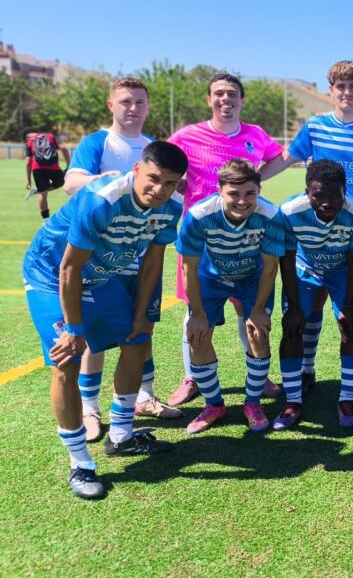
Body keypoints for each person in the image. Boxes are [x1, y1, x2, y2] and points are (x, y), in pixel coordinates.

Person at [23, 141, 187, 499]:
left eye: (170, 183)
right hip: (51, 276)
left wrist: (143, 315)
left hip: (98, 276)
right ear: (137, 169)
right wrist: (74, 330)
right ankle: (80, 462)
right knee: (67, 361)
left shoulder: (172, 206)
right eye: (153, 178)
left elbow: (152, 262)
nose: (159, 190)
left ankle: (122, 437)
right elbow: (69, 268)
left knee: (137, 341)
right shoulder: (102, 199)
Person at [63, 77, 179, 440]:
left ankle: (144, 396)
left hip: (141, 254)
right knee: (94, 334)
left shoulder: (153, 147)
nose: (133, 108)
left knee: (142, 326)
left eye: (140, 102)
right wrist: (103, 180)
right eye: (126, 101)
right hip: (103, 254)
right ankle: (90, 409)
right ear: (111, 105)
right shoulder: (98, 142)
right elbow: (71, 182)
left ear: (148, 107)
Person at [269, 61, 353, 392]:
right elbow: (287, 158)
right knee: (311, 306)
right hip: (317, 223)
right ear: (331, 90)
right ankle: (306, 370)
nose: (347, 92)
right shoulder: (315, 126)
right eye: (341, 86)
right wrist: (251, 180)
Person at [166, 73, 287, 408]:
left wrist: (256, 179)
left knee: (246, 309)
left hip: (247, 237)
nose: (225, 99)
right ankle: (192, 377)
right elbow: (163, 164)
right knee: (195, 311)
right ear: (209, 99)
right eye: (218, 93)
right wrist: (179, 185)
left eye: (232, 94)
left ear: (242, 100)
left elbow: (280, 156)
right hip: (202, 239)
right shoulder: (187, 136)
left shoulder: (255, 134)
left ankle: (258, 376)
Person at [176, 160, 287, 434]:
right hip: (210, 277)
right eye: (234, 194)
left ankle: (253, 403)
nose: (242, 201)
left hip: (252, 277)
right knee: (198, 335)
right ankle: (214, 405)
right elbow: (188, 266)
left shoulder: (271, 215)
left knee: (258, 333)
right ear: (219, 191)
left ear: (259, 190)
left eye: (250, 193)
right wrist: (197, 313)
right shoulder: (200, 215)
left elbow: (270, 266)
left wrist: (258, 310)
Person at [276, 160, 353, 430]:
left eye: (335, 195)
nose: (328, 202)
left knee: (350, 326)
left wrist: (349, 305)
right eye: (319, 195)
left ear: (345, 191)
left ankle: (347, 398)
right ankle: (293, 401)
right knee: (292, 328)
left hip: (342, 270)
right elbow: (286, 259)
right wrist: (294, 306)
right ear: (307, 191)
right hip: (305, 269)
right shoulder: (289, 211)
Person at [25, 127, 70, 220]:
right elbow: (64, 148)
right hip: (53, 167)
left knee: (42, 194)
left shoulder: (30, 141)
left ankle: (45, 220)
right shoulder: (51, 136)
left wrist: (28, 180)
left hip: (37, 169)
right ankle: (38, 190)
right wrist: (68, 164)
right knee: (63, 181)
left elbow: (28, 163)